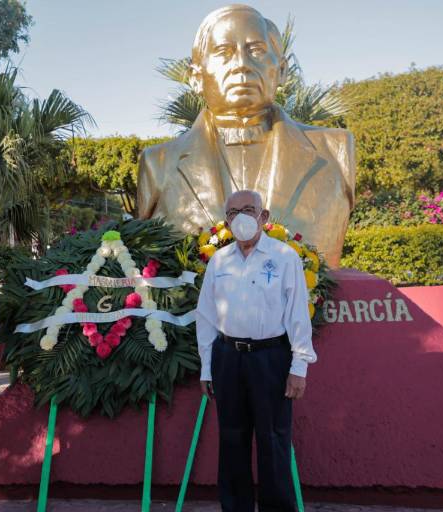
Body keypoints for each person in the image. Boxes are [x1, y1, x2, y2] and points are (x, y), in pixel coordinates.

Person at [137, 4, 355, 267]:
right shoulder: (157, 163)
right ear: (196, 77)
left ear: (282, 70)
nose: (241, 64)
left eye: (256, 51)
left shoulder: (334, 150)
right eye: (223, 52)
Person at [196, 190, 317, 512]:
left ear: (264, 217)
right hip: (228, 358)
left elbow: (297, 315)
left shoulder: (284, 257)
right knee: (231, 439)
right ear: (227, 222)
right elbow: (207, 317)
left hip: (271, 359)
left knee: (274, 439)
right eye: (233, 213)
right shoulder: (219, 261)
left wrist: (299, 367)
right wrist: (207, 369)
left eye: (249, 210)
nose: (242, 218)